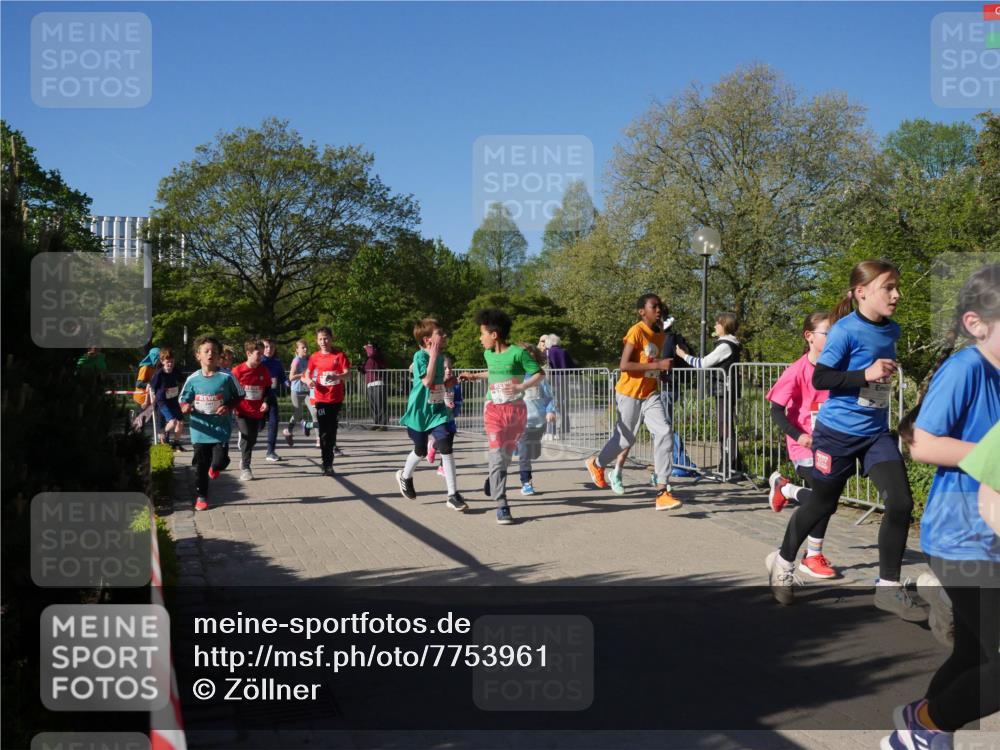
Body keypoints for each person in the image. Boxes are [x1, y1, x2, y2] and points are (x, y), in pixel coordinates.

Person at [764, 259, 926, 622]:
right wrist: (865, 374)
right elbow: (821, 378)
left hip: (875, 433)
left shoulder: (892, 329)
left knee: (900, 502)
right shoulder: (844, 331)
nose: (897, 295)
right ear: (861, 292)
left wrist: (881, 381)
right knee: (822, 505)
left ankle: (888, 587)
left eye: (897, 287)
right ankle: (783, 561)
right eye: (889, 288)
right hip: (836, 434)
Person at [882, 263, 1000, 750]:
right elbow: (923, 443)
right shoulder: (967, 368)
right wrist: (993, 458)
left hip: (990, 537)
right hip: (960, 538)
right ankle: (924, 726)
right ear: (977, 324)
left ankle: (921, 726)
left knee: (976, 656)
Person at [584, 294, 681, 511]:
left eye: (660, 306)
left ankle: (662, 491)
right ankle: (596, 463)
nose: (659, 310)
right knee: (625, 439)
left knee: (665, 432)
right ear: (642, 311)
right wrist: (657, 366)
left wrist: (661, 373)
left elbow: (649, 360)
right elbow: (624, 365)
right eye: (654, 306)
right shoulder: (636, 331)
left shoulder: (660, 333)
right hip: (629, 392)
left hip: (650, 393)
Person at [764, 313, 834, 579]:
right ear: (809, 336)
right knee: (823, 496)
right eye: (827, 333)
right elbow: (776, 411)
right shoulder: (796, 371)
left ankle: (785, 488)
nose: (833, 338)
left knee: (827, 498)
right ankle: (813, 556)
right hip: (803, 446)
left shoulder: (836, 370)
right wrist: (799, 435)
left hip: (829, 443)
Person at [459, 309, 544, 525]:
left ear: (494, 335)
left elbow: (539, 374)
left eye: (482, 334)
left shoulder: (518, 353)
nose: (480, 338)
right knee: (497, 455)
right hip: (493, 410)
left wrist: (521, 387)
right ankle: (502, 504)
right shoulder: (488, 355)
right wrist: (474, 376)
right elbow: (493, 371)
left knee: (504, 456)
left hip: (516, 412)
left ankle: (494, 477)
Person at [396, 320, 468, 512]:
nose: (444, 336)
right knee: (420, 450)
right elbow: (427, 381)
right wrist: (434, 356)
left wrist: (449, 382)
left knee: (446, 446)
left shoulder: (441, 356)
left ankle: (453, 495)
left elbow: (438, 384)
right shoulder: (419, 356)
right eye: (440, 333)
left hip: (437, 411)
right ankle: (405, 476)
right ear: (428, 340)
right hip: (419, 413)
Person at [179, 336, 241, 511]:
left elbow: (240, 395)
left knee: (220, 461)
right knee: (200, 465)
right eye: (206, 351)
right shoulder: (192, 379)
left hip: (220, 428)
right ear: (198, 355)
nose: (210, 354)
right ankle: (202, 496)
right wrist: (185, 407)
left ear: (219, 355)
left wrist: (228, 406)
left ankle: (216, 467)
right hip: (200, 429)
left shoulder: (226, 377)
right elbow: (183, 399)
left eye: (214, 351)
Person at [676, 312, 742, 473]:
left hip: (724, 390)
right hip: (724, 389)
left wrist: (683, 355)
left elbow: (703, 363)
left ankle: (730, 464)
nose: (715, 326)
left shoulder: (725, 345)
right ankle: (729, 464)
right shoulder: (727, 343)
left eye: (718, 323)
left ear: (725, 325)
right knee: (724, 426)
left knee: (725, 427)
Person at [301, 327, 350, 476]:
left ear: (331, 339)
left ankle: (329, 460)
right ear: (317, 341)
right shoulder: (314, 357)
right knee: (324, 432)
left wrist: (337, 377)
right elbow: (306, 374)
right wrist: (308, 381)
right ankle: (326, 464)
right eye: (320, 339)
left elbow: (348, 374)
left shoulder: (339, 355)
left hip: (335, 399)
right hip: (321, 399)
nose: (323, 341)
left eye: (326, 338)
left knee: (332, 430)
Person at [517, 343, 557, 495]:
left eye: (532, 360)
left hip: (539, 422)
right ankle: (526, 482)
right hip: (522, 423)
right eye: (526, 360)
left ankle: (521, 451)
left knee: (534, 453)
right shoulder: (516, 377)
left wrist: (550, 411)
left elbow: (549, 397)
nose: (529, 364)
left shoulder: (540, 378)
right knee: (524, 454)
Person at [231, 340, 273, 481]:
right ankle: (246, 468)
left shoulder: (263, 370)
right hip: (241, 410)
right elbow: (230, 390)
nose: (261, 356)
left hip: (257, 411)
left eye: (262, 354)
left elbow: (268, 389)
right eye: (258, 354)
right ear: (248, 353)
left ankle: (244, 456)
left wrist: (266, 402)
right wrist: (232, 405)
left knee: (253, 438)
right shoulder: (238, 371)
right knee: (247, 435)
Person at [150, 347, 185, 450]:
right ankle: (162, 433)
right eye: (167, 362)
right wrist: (151, 401)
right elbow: (152, 387)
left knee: (181, 422)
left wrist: (183, 391)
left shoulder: (175, 371)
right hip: (162, 402)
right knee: (173, 422)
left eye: (172, 362)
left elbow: (183, 380)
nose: (170, 364)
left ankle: (176, 443)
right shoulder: (159, 374)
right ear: (162, 361)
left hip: (173, 400)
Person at [261, 338, 287, 461]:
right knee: (259, 426)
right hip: (259, 398)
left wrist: (287, 383)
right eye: (266, 347)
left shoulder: (277, 363)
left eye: (271, 347)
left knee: (274, 423)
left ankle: (270, 452)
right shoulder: (259, 361)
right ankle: (244, 436)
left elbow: (282, 377)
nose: (269, 349)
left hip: (271, 397)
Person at [545, 333, 575, 438]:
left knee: (552, 405)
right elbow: (572, 366)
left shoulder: (548, 352)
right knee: (564, 404)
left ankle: (552, 431)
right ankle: (565, 429)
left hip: (552, 381)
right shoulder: (564, 351)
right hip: (564, 381)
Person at [287, 339, 312, 440]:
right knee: (297, 413)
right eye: (303, 348)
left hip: (307, 390)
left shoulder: (308, 360)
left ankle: (307, 425)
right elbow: (291, 377)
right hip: (296, 391)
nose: (305, 349)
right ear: (297, 350)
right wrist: (301, 375)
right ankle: (289, 430)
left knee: (314, 411)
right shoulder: (296, 360)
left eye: (306, 347)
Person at [361, 341, 388, 430]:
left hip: (378, 383)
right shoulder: (369, 359)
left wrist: (367, 347)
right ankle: (376, 423)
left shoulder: (377, 355)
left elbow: (371, 353)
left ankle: (383, 425)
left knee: (380, 405)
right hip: (370, 384)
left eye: (370, 346)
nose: (368, 348)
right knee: (373, 406)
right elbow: (365, 370)